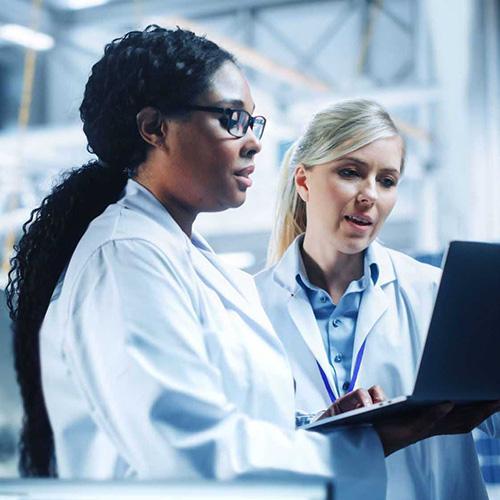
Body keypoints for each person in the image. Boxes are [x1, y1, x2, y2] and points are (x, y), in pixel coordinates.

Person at [6, 26, 457, 498]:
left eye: (252, 123)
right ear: (154, 128)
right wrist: (364, 444)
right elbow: (190, 454)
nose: (254, 143)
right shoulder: (124, 258)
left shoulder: (198, 266)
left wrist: (322, 429)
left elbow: (238, 424)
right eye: (231, 119)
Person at [254, 99, 500, 500]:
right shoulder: (247, 307)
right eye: (350, 173)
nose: (369, 195)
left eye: (387, 181)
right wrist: (315, 428)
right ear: (304, 182)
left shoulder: (438, 296)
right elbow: (235, 451)